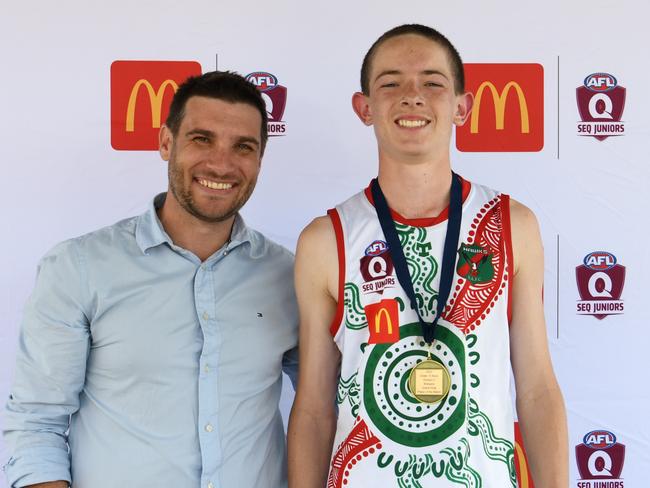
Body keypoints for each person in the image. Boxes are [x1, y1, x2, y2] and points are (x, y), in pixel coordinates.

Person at [287, 24, 568, 487]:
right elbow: (315, 406)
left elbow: (537, 389)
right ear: (365, 108)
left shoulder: (512, 225)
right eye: (391, 83)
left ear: (461, 107)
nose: (412, 96)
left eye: (433, 83)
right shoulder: (326, 239)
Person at [3, 71, 298, 488]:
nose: (221, 163)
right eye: (202, 139)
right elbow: (36, 423)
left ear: (260, 160)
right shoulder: (80, 267)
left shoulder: (289, 276)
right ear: (165, 143)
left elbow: (329, 403)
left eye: (243, 147)